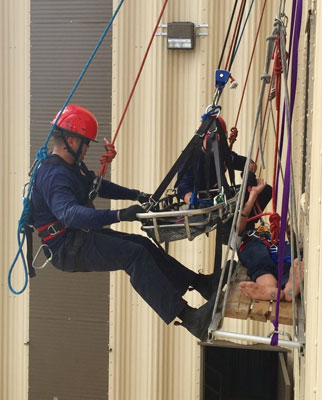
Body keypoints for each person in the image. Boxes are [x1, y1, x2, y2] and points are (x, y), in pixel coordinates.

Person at [31, 104, 223, 341]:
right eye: (85, 142)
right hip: (67, 248)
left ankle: (200, 283)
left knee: (141, 245)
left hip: (78, 236)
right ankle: (191, 319)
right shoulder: (54, 174)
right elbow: (70, 214)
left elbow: (97, 186)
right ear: (71, 139)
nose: (87, 148)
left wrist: (137, 195)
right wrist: (120, 215)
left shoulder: (71, 167)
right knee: (134, 256)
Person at [237, 178, 304, 301]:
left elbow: (293, 243)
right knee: (260, 261)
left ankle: (290, 286)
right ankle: (268, 288)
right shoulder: (241, 235)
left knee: (290, 256)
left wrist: (289, 232)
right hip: (254, 246)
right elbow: (240, 221)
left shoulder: (268, 230)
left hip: (276, 246)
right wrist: (253, 195)